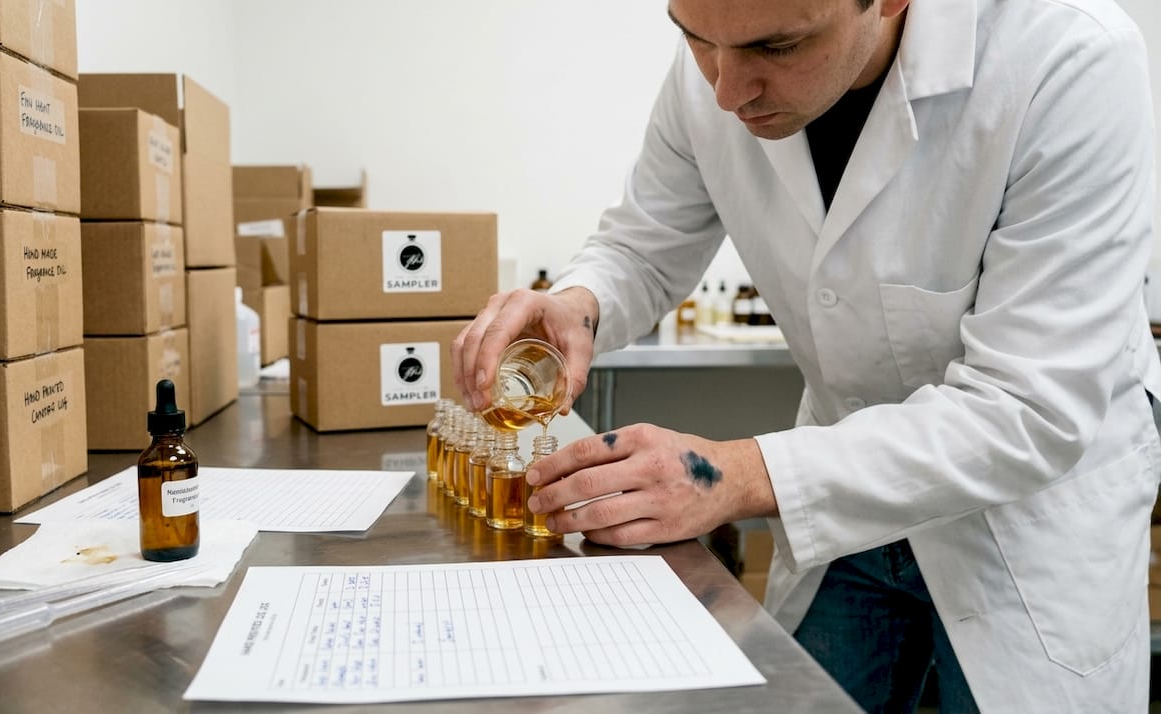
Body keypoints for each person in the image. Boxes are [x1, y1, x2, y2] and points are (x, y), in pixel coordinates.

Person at [452, 0, 1161, 711]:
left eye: (779, 47)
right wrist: (580, 304)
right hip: (839, 501)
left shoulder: (1069, 58)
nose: (727, 91)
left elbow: (1028, 407)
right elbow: (645, 239)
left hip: (1020, 520)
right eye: (695, 39)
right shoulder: (727, 39)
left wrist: (734, 475)